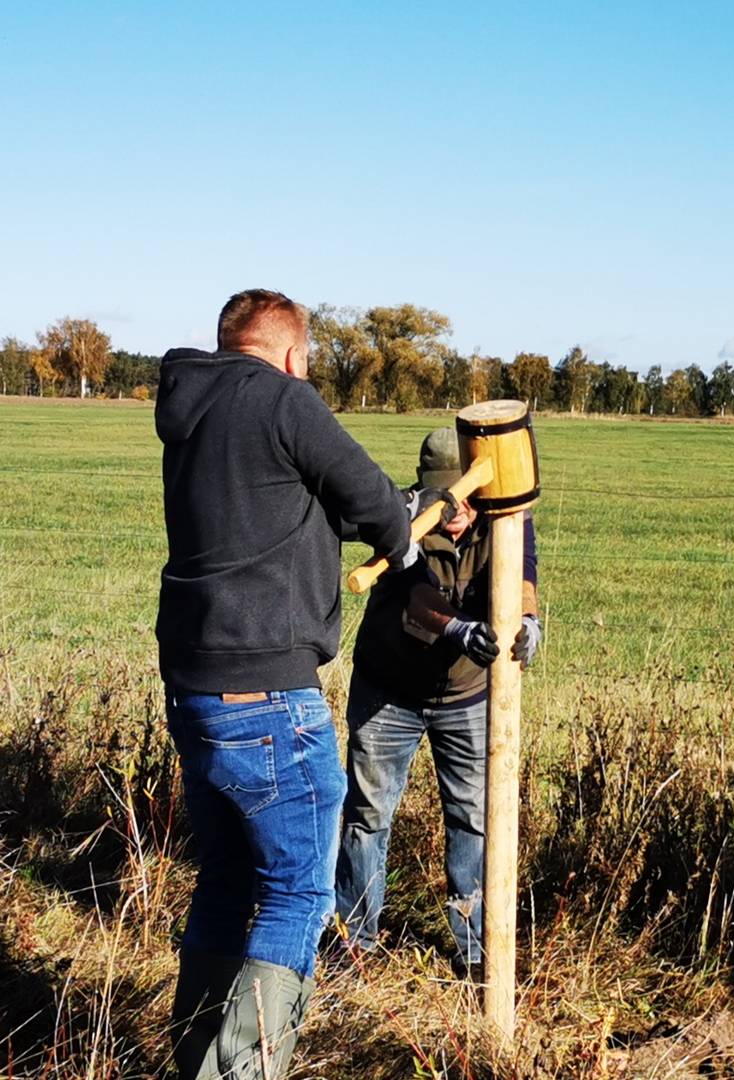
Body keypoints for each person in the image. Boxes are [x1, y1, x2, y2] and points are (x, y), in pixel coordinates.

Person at [156, 289, 414, 1078]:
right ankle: (244, 1072)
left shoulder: (193, 409)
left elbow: (282, 504)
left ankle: (195, 1060)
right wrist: (401, 530)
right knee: (300, 894)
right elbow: (370, 500)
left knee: (228, 884)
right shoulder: (284, 400)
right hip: (268, 692)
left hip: (195, 690)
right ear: (294, 354)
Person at [334, 427, 541, 977]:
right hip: (390, 691)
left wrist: (529, 619)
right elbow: (413, 594)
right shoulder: (399, 517)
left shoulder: (508, 517)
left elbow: (523, 573)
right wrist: (456, 630)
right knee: (367, 815)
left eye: (461, 495)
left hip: (466, 696)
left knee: (471, 818)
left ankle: (474, 950)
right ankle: (354, 944)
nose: (451, 508)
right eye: (440, 495)